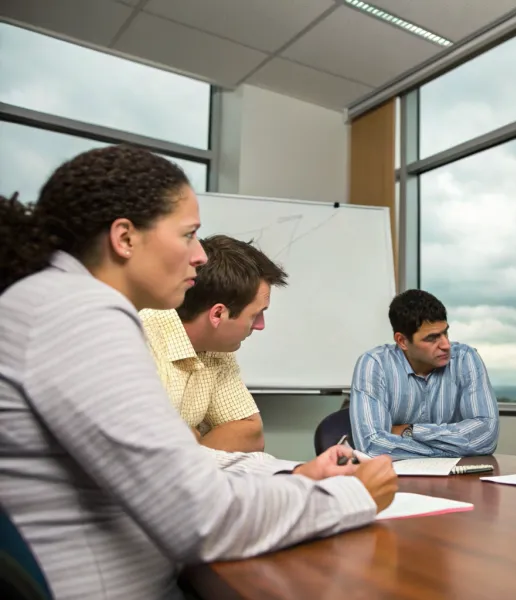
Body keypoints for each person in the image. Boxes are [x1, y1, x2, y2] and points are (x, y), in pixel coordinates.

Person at [0, 145, 397, 599]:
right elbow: (201, 518)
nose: (200, 257)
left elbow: (183, 477)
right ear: (125, 238)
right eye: (189, 235)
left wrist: (297, 480)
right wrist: (355, 496)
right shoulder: (78, 313)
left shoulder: (54, 301)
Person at [140, 234, 287, 454]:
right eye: (256, 314)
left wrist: (192, 448)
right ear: (218, 314)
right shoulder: (139, 338)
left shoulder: (216, 351)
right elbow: (146, 444)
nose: (260, 326)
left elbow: (251, 433)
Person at [349, 289, 499, 459]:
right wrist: (453, 447)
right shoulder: (374, 364)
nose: (446, 345)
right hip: (395, 481)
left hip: (456, 478)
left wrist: (409, 431)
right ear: (402, 341)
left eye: (445, 332)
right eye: (432, 338)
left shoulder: (465, 358)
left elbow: (487, 435)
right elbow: (371, 446)